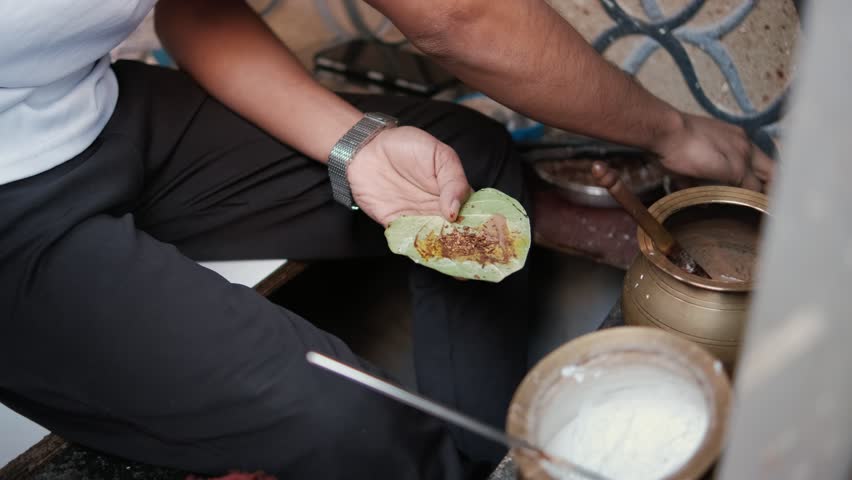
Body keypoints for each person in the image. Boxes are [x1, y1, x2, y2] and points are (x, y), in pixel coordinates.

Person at [0, 1, 772, 479]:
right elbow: (456, 16)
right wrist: (671, 130)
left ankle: (480, 459)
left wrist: (355, 143)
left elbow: (196, 10)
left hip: (90, 111)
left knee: (473, 170)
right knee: (348, 424)